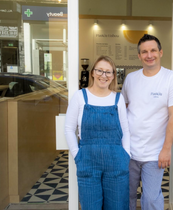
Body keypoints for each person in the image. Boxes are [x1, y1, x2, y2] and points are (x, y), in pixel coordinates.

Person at [121, 34, 173, 210]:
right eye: (144, 52)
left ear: (160, 52)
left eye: (153, 50)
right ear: (139, 56)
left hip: (155, 154)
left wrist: (166, 149)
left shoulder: (171, 79)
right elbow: (123, 112)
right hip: (129, 151)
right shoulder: (131, 79)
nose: (149, 55)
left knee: (151, 199)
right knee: (127, 195)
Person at [65, 56, 131, 210]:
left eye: (108, 72)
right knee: (91, 206)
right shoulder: (80, 97)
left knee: (117, 206)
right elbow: (69, 129)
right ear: (93, 73)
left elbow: (126, 130)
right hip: (87, 161)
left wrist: (126, 154)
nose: (104, 75)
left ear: (113, 76)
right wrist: (77, 155)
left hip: (116, 162)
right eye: (100, 70)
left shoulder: (118, 99)